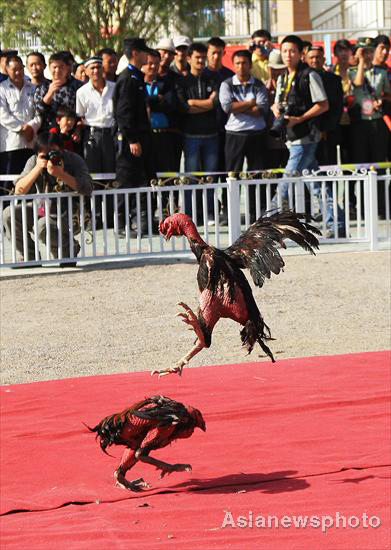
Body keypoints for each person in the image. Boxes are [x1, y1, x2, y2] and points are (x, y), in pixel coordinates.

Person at [272, 35, 345, 237]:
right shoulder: (282, 78)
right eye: (285, 51)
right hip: (291, 136)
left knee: (286, 182)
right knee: (315, 183)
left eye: (292, 51)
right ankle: (337, 223)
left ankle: (265, 226)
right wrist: (276, 110)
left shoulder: (310, 75)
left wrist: (300, 118)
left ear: (300, 53)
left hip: (306, 137)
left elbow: (324, 105)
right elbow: (278, 103)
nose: (288, 55)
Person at [2, 132, 92, 265]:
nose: (50, 158)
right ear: (37, 153)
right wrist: (38, 167)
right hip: (40, 208)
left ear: (61, 150)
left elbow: (88, 187)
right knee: (9, 213)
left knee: (43, 225)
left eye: (54, 153)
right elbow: (19, 190)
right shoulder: (34, 161)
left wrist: (61, 174)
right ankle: (28, 256)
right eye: (45, 155)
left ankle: (67, 251)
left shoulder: (73, 160)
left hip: (68, 211)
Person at [220, 49, 269, 222]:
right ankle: (230, 212)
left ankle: (256, 212)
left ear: (250, 65)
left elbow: (261, 109)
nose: (241, 67)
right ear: (233, 65)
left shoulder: (259, 84)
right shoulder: (226, 84)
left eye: (245, 63)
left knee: (257, 174)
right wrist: (250, 103)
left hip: (257, 134)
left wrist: (238, 106)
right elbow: (227, 107)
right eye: (238, 63)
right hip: (234, 134)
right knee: (232, 175)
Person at [113, 37, 155, 236]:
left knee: (141, 179)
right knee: (126, 180)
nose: (148, 55)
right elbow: (123, 112)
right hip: (131, 140)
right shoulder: (128, 79)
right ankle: (121, 223)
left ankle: (140, 221)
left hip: (142, 138)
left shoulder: (137, 77)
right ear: (136, 53)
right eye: (145, 51)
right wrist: (132, 139)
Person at [176, 42, 219, 222]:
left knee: (210, 177)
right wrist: (203, 104)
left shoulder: (213, 79)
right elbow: (184, 107)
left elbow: (214, 104)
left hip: (211, 135)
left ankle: (209, 212)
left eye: (203, 57)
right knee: (191, 177)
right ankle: (190, 212)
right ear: (189, 59)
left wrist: (195, 103)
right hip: (191, 135)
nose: (201, 60)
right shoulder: (182, 82)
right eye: (197, 57)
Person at [348, 37, 391, 218]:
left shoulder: (381, 72)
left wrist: (383, 100)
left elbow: (388, 92)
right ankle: (364, 208)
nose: (366, 53)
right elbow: (358, 83)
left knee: (379, 165)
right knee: (362, 166)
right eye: (363, 50)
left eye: (369, 50)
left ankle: (380, 207)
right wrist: (361, 62)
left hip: (377, 122)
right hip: (359, 124)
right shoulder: (352, 71)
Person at [76, 55, 116, 226]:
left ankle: (111, 214)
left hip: (111, 133)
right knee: (93, 175)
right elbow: (80, 115)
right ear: (86, 71)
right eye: (91, 68)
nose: (95, 71)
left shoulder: (114, 88)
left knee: (111, 174)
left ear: (103, 69)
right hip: (92, 134)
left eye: (98, 67)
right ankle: (96, 215)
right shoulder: (82, 92)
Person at [142, 49, 180, 213]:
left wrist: (152, 104)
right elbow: (140, 105)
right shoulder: (136, 84)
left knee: (167, 175)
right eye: (149, 63)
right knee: (147, 175)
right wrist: (154, 100)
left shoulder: (166, 83)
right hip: (146, 135)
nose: (152, 67)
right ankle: (148, 212)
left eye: (156, 64)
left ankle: (168, 211)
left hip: (165, 134)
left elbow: (171, 105)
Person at [203, 36, 234, 224]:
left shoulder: (229, 76)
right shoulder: (201, 74)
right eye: (212, 53)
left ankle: (227, 209)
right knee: (209, 174)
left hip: (228, 132)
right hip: (207, 132)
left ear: (224, 53)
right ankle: (210, 209)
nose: (215, 56)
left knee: (227, 172)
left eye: (219, 53)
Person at [0, 55, 41, 193]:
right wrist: (21, 128)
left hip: (31, 143)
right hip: (11, 145)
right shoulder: (2, 89)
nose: (18, 72)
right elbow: (3, 115)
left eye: (20, 69)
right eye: (14, 69)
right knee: (8, 185)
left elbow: (39, 113)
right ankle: (6, 213)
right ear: (6, 70)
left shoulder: (33, 88)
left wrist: (31, 127)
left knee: (30, 182)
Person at [306, 45, 344, 165]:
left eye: (318, 57)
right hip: (306, 132)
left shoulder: (334, 80)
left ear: (323, 59)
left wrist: (324, 129)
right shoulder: (301, 78)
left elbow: (337, 107)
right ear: (305, 59)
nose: (314, 60)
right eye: (311, 57)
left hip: (328, 132)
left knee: (328, 166)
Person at [34, 52, 83, 132]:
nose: (57, 70)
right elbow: (38, 111)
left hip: (72, 132)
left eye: (61, 67)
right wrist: (49, 94)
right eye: (54, 67)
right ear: (49, 68)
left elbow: (83, 112)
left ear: (67, 68)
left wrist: (78, 129)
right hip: (49, 132)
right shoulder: (42, 87)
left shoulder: (77, 86)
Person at [329, 39, 354, 163]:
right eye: (340, 50)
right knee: (331, 157)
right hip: (335, 120)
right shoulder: (330, 72)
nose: (344, 54)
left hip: (353, 119)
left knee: (349, 155)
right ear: (335, 54)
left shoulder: (355, 72)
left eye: (346, 50)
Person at [264, 49, 289, 169]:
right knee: (270, 177)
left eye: (280, 69)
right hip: (269, 142)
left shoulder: (292, 88)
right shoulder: (263, 89)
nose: (276, 72)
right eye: (273, 69)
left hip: (288, 142)